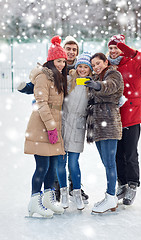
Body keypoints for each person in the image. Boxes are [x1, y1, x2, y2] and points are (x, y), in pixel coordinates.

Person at [17, 36, 89, 203]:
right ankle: (54, 189)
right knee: (53, 161)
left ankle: (72, 186)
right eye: (68, 49)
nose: (70, 53)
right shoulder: (49, 70)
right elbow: (40, 85)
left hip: (68, 118)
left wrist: (93, 83)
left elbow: (79, 82)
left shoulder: (79, 68)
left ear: (77, 53)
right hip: (52, 118)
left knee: (69, 159)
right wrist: (28, 88)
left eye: (74, 50)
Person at [107, 34, 141, 205]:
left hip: (131, 116)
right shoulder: (108, 66)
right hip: (113, 118)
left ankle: (133, 184)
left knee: (130, 154)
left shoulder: (134, 63)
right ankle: (122, 184)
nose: (114, 51)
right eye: (111, 48)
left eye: (117, 48)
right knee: (116, 154)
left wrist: (133, 53)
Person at [25, 36, 67, 218]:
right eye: (59, 60)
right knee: (42, 166)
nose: (62, 64)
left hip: (54, 124)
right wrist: (50, 127)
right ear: (51, 60)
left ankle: (49, 199)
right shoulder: (43, 76)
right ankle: (34, 202)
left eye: (64, 61)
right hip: (41, 125)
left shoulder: (58, 77)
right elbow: (41, 103)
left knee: (53, 165)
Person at [85, 53, 124, 213]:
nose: (96, 67)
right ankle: (110, 197)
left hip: (108, 123)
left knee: (109, 163)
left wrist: (97, 86)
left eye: (98, 63)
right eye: (93, 65)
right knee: (106, 163)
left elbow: (110, 86)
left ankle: (110, 196)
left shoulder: (113, 74)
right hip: (98, 126)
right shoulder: (96, 76)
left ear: (106, 62)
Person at [57, 52, 92, 210]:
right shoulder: (69, 80)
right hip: (63, 124)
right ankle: (63, 192)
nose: (82, 69)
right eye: (80, 66)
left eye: (86, 67)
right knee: (60, 162)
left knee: (73, 163)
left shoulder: (91, 84)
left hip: (78, 126)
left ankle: (76, 192)